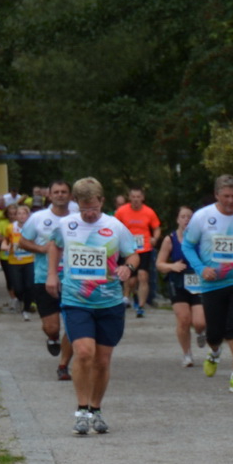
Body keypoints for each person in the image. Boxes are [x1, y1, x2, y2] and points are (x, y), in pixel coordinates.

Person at [45, 177, 139, 436]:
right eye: (84, 208)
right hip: (76, 300)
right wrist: (52, 274)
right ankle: (81, 410)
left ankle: (96, 409)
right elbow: (54, 246)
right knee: (84, 352)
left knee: (102, 359)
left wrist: (128, 267)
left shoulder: (115, 226)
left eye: (94, 208)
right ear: (76, 203)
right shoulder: (66, 224)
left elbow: (133, 253)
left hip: (109, 301)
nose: (89, 214)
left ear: (102, 202)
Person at [182, 175, 233, 391]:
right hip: (213, 283)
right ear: (217, 195)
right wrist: (201, 269)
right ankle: (215, 351)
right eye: (226, 196)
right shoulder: (202, 217)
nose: (230, 201)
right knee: (214, 334)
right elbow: (188, 246)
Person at [19, 179, 79, 374]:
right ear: (50, 195)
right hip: (44, 277)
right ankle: (52, 337)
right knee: (52, 327)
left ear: (70, 196)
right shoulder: (38, 218)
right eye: (56, 192)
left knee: (72, 325)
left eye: (64, 192)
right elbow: (22, 242)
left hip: (73, 279)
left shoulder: (78, 218)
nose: (60, 195)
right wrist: (42, 249)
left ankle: (63, 365)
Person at [156, 205, 207, 366]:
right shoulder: (170, 239)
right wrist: (172, 266)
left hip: (198, 283)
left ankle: (200, 332)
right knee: (183, 319)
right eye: (183, 217)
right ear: (177, 220)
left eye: (189, 217)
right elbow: (159, 264)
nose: (186, 220)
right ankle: (187, 354)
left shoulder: (202, 238)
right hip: (178, 283)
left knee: (200, 322)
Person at [113, 186, 161, 319]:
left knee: (143, 276)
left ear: (142, 198)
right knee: (131, 280)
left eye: (138, 197)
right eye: (133, 197)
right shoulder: (122, 211)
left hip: (144, 248)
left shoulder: (149, 212)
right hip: (128, 250)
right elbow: (114, 226)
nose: (135, 200)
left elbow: (157, 228)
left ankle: (140, 306)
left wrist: (155, 238)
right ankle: (129, 296)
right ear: (129, 198)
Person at [3, 204, 37, 320]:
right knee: (18, 288)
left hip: (30, 260)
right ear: (16, 216)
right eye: (19, 214)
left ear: (28, 215)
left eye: (24, 213)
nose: (22, 216)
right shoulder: (10, 227)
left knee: (30, 286)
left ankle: (26, 309)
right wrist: (5, 246)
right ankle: (21, 300)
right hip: (14, 261)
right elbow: (6, 240)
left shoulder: (33, 227)